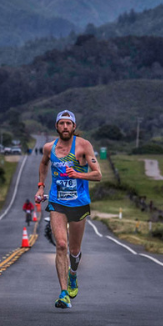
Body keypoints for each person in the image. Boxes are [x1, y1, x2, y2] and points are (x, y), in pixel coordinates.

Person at [35, 110, 102, 309]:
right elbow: (43, 163)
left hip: (79, 203)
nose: (65, 127)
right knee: (61, 245)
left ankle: (73, 274)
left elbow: (98, 175)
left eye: (68, 123)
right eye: (61, 123)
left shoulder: (84, 146)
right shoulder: (49, 148)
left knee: (74, 250)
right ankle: (63, 293)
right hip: (57, 202)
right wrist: (40, 185)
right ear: (56, 126)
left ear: (74, 127)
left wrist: (78, 175)